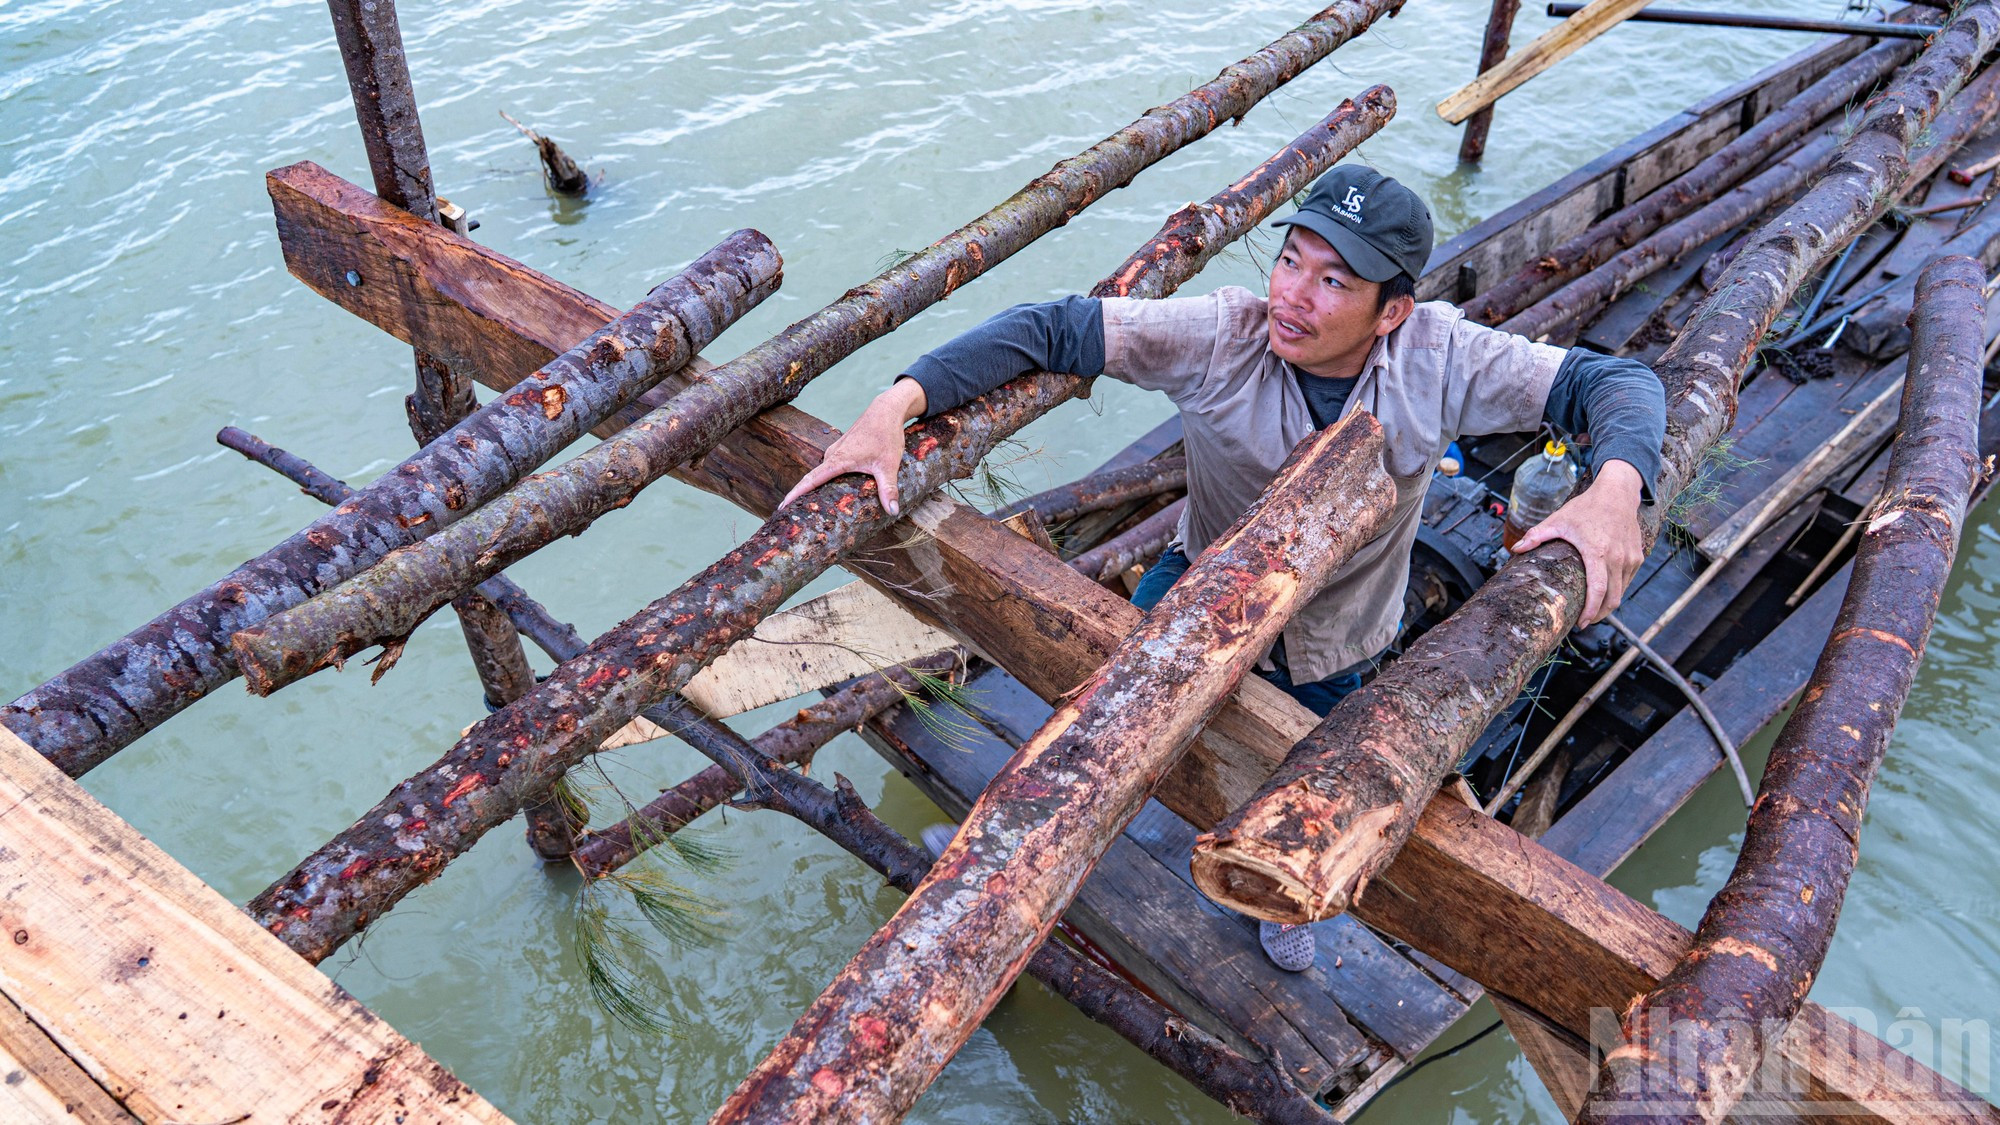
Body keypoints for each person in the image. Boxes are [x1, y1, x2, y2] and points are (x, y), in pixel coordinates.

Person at [783, 165, 1666, 970]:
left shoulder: (1440, 355)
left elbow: (1619, 385)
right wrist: (896, 404)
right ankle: (1014, 855)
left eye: (1334, 282)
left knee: (1306, 805)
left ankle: (1281, 908)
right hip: (1196, 596)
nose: (1295, 295)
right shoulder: (1222, 334)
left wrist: (1617, 487)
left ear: (1391, 310)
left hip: (1340, 645)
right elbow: (1053, 328)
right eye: (1291, 262)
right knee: (1109, 745)